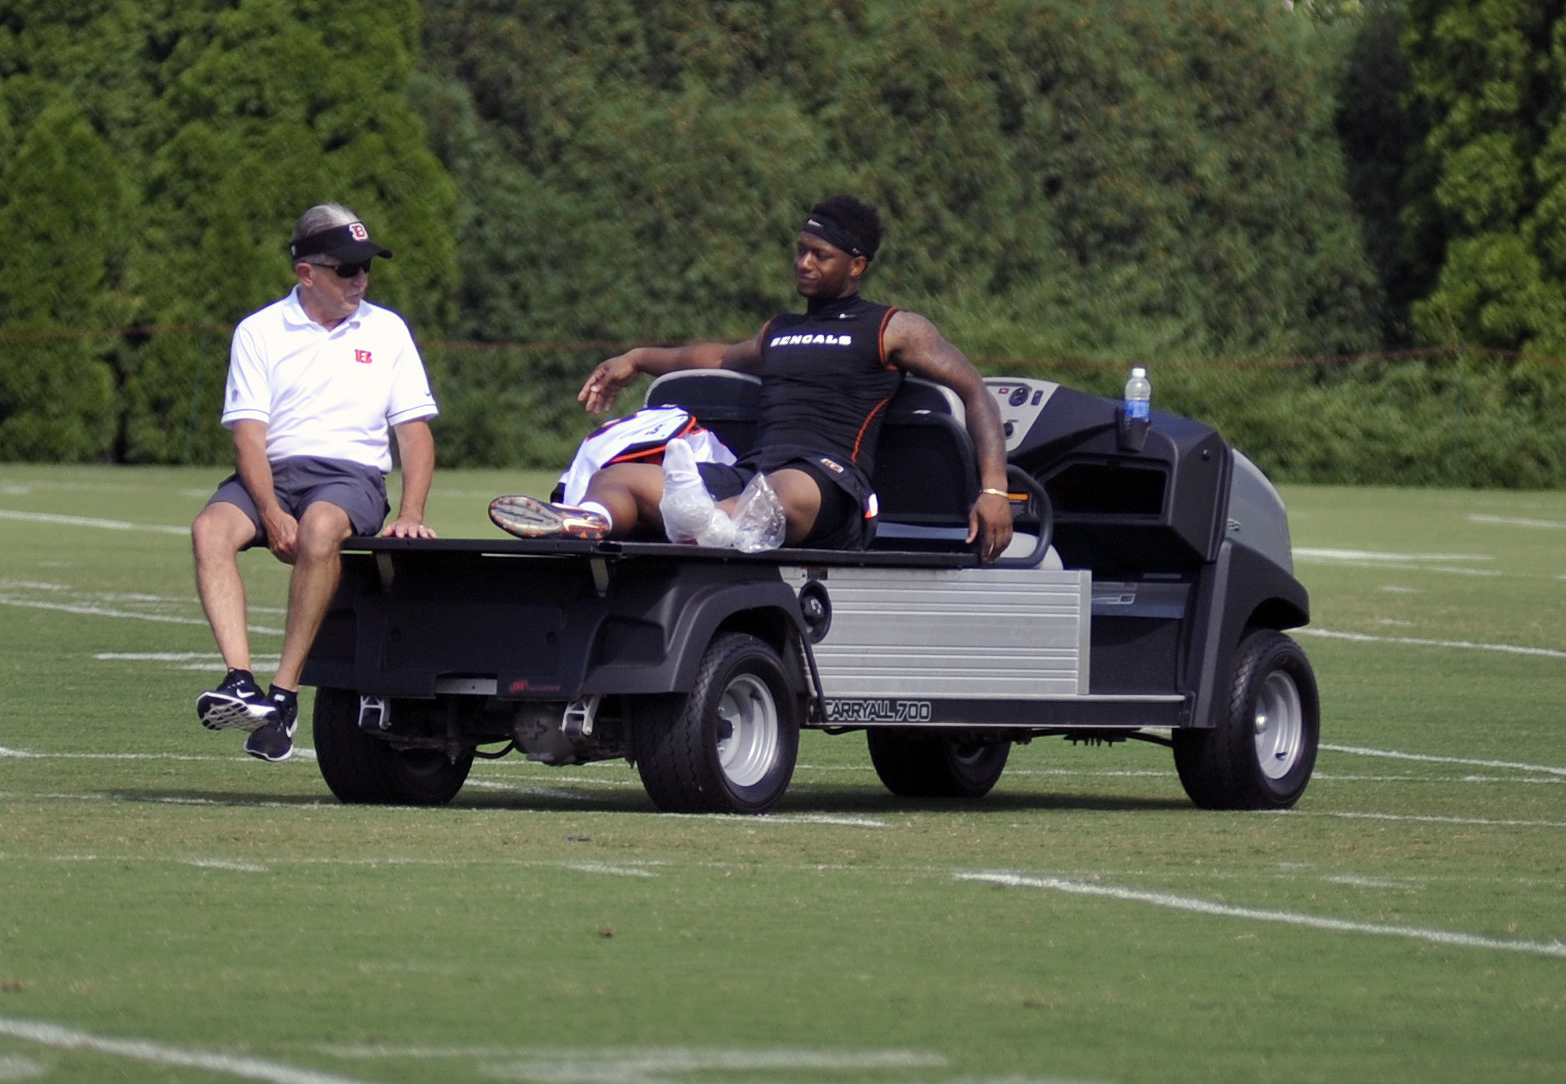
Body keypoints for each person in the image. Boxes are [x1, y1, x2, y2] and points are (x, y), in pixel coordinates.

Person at [489, 194, 1013, 562]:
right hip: (752, 475)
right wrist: (638, 356)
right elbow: (714, 357)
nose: (803, 263)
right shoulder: (779, 331)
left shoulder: (891, 327)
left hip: (828, 486)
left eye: (820, 255)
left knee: (778, 492)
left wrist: (993, 489)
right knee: (620, 476)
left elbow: (974, 391)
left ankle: (706, 526)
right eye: (801, 250)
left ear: (856, 266)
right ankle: (595, 521)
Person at [191, 204, 439, 763]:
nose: (360, 281)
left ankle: (284, 694)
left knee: (322, 526)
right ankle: (239, 681)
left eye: (366, 269)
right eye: (346, 270)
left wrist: (411, 511)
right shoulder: (258, 331)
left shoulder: (388, 329)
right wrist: (271, 512)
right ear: (307, 273)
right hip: (271, 475)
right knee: (209, 529)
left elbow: (415, 433)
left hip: (350, 477)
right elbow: (249, 438)